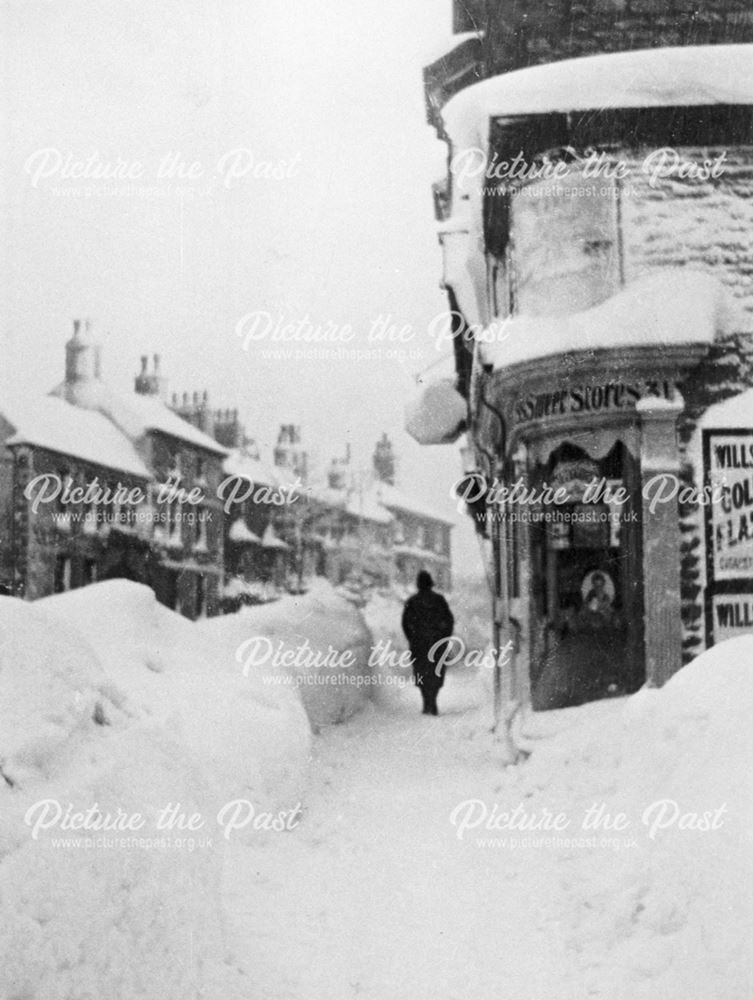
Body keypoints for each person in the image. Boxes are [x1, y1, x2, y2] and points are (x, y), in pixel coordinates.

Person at [401, 570, 454, 716]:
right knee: (436, 673)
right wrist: (444, 638)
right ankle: (432, 700)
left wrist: (412, 638)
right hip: (437, 644)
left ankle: (427, 701)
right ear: (431, 583)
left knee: (422, 673)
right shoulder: (439, 600)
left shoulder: (412, 602)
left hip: (419, 645)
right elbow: (449, 621)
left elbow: (405, 624)